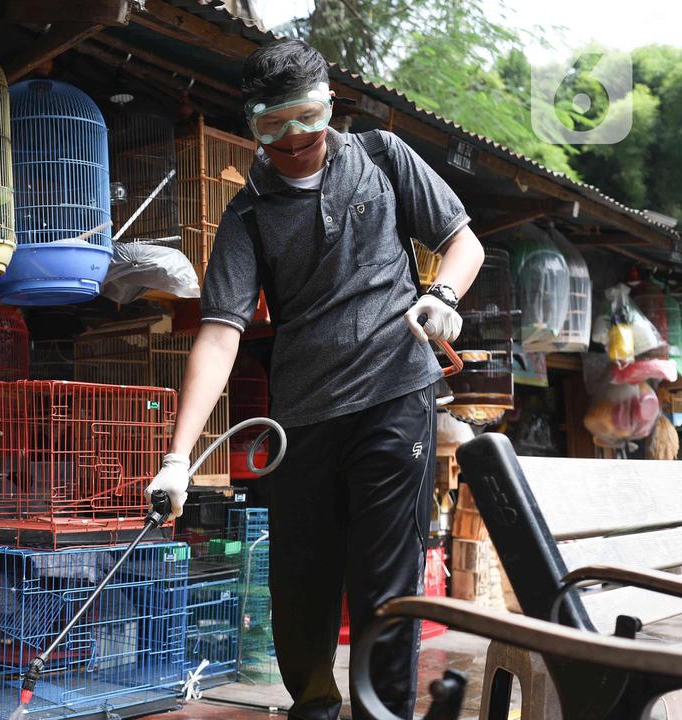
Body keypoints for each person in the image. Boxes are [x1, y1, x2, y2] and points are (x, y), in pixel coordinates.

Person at [146, 39, 485, 720]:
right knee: (300, 585)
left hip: (396, 392)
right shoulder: (247, 214)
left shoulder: (383, 158)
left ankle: (381, 713)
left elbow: (464, 241)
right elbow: (220, 332)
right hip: (301, 418)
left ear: (330, 105)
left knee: (384, 582)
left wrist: (444, 296)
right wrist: (178, 458)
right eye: (274, 126)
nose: (296, 139)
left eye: (307, 118)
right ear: (253, 125)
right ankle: (316, 710)